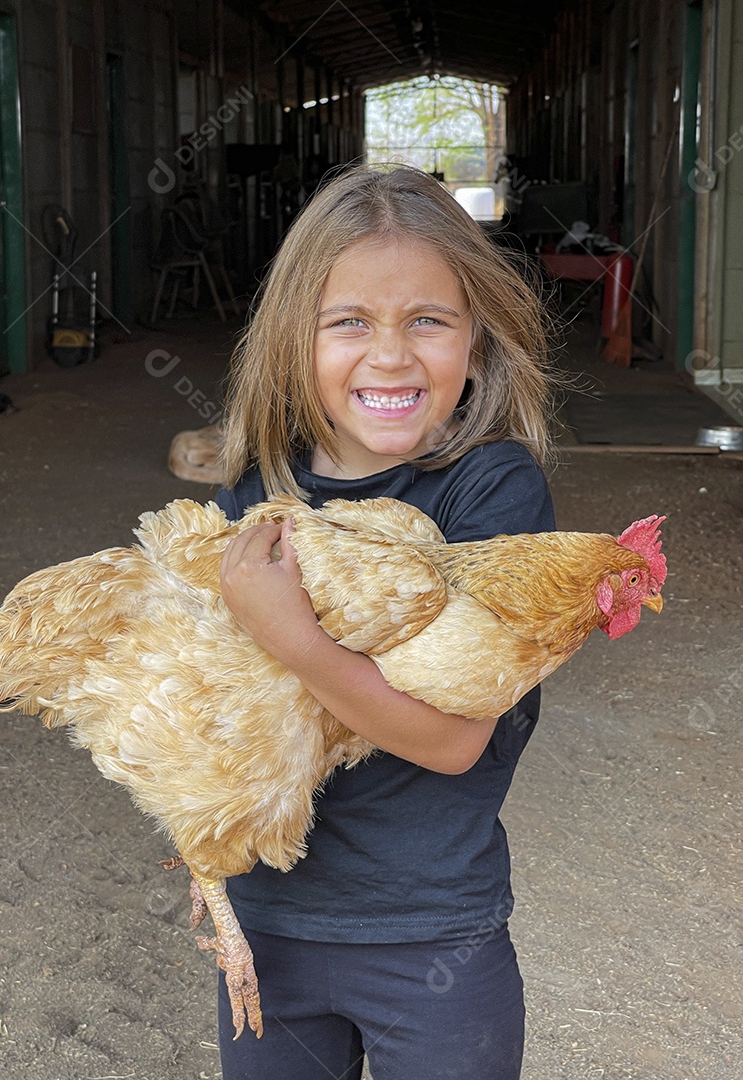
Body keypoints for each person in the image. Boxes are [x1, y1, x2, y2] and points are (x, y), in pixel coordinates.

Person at [213, 163, 556, 1080]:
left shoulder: (492, 492)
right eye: (350, 322)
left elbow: (454, 741)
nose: (392, 356)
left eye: (428, 321)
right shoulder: (253, 493)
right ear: (295, 341)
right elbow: (213, 707)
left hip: (433, 938)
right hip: (267, 929)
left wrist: (294, 638)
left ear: (477, 343)